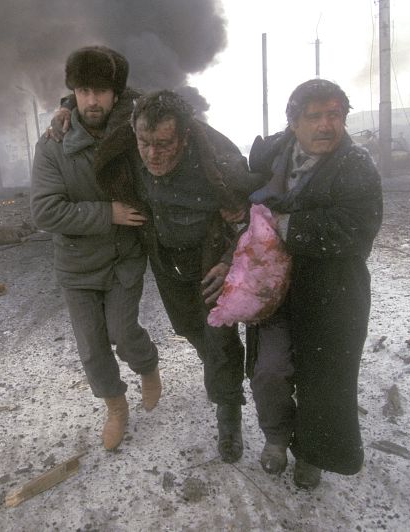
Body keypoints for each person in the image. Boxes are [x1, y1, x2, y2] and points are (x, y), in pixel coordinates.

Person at [92, 89, 254, 463]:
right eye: (144, 143)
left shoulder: (219, 162)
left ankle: (228, 414)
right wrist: (66, 110)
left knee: (219, 337)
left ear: (184, 137)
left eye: (164, 144)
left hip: (210, 262)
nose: (152, 155)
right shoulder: (131, 146)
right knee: (187, 328)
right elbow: (108, 100)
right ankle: (214, 362)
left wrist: (230, 259)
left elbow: (254, 217)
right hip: (167, 261)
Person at [247, 79, 383, 489]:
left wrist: (285, 224)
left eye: (335, 115)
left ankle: (312, 452)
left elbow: (357, 230)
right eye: (315, 116)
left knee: (324, 381)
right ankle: (275, 438)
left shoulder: (356, 165)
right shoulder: (271, 155)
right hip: (276, 290)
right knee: (268, 371)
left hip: (333, 293)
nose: (327, 125)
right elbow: (232, 185)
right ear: (293, 123)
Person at [30, 46, 160, 452]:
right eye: (83, 90)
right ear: (73, 92)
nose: (91, 101)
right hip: (77, 264)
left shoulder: (136, 132)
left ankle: (147, 365)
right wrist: (109, 214)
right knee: (91, 347)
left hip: (123, 257)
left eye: (101, 91)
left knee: (123, 333)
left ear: (116, 94)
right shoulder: (53, 143)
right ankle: (116, 408)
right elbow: (45, 210)